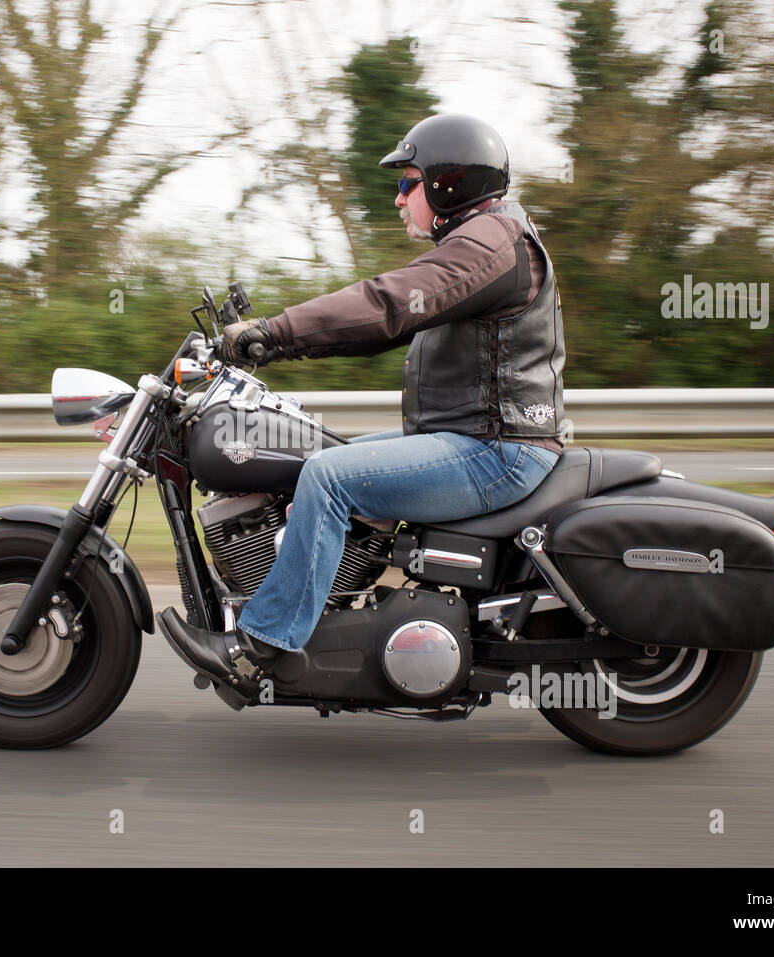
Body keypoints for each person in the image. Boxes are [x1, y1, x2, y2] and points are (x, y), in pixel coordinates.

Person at [163, 113, 567, 689]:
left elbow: (387, 304)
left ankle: (263, 644)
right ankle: (331, 615)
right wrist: (280, 345)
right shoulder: (486, 239)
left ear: (450, 183)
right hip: (473, 436)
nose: (399, 199)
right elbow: (384, 323)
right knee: (316, 457)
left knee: (329, 476)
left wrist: (275, 333)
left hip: (498, 449)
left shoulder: (488, 242)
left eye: (408, 183)